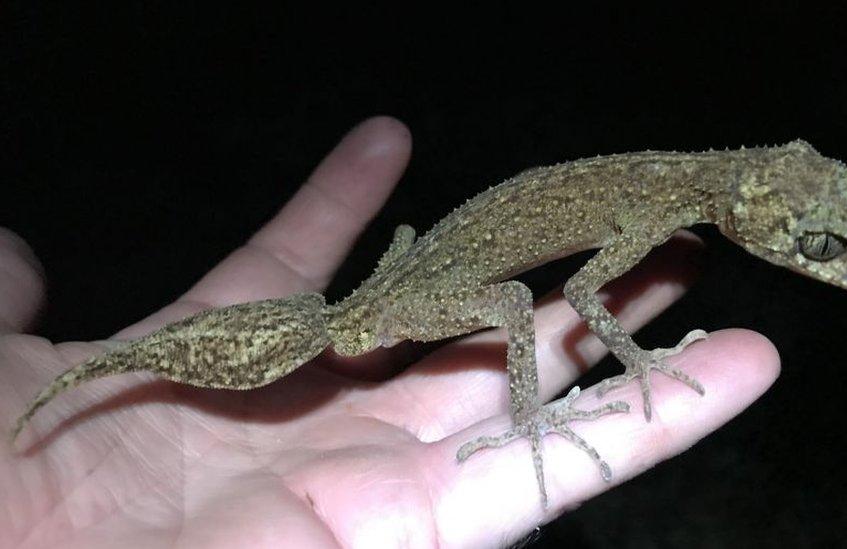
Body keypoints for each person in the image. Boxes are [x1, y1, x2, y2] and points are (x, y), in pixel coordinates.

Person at [0, 117, 779, 547]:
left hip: (407, 279)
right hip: (395, 303)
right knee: (513, 298)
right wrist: (625, 365)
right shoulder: (661, 199)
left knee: (435, 270)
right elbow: (574, 288)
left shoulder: (668, 184)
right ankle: (526, 418)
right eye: (812, 241)